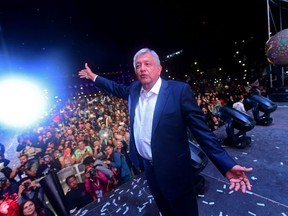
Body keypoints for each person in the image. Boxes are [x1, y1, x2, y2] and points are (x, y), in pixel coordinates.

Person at [78, 48, 253, 216]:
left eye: (147, 64)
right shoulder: (133, 90)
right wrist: (94, 77)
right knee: (164, 207)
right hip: (149, 168)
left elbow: (203, 133)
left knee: (185, 211)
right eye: (138, 65)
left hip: (176, 170)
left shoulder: (178, 91)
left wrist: (226, 165)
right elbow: (115, 87)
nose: (142, 69)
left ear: (159, 68)